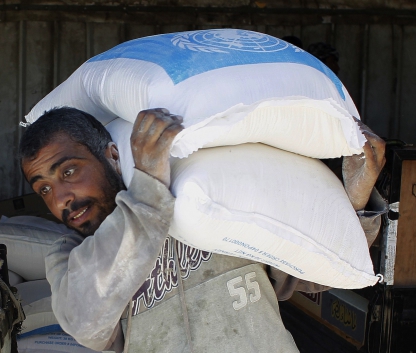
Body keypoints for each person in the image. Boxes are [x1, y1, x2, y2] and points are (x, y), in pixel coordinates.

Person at [19, 107, 387, 353]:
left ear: (113, 155)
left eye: (68, 172)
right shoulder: (68, 256)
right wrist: (147, 191)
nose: (62, 198)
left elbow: (305, 273)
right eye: (44, 189)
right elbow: (87, 323)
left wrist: (352, 203)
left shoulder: (213, 202)